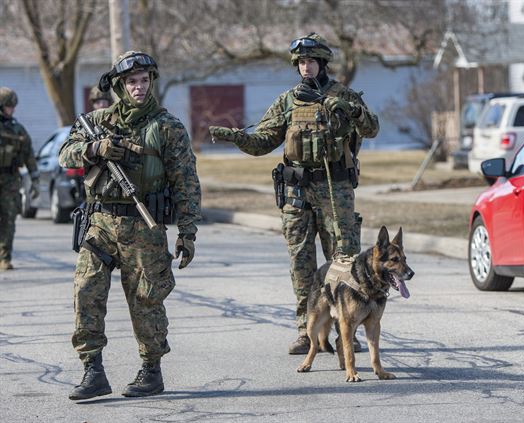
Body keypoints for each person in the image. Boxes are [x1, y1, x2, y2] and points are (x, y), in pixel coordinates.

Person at [209, 33, 379, 355]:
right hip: (298, 190)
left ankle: (349, 330)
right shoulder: (289, 101)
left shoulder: (343, 95)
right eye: (301, 62)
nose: (306, 67)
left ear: (323, 63)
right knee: (301, 263)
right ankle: (307, 330)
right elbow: (263, 141)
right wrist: (237, 138)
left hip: (335, 190)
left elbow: (371, 128)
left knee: (342, 261)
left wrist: (352, 112)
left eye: (311, 61)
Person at [59, 51, 201, 400]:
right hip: (100, 222)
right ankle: (93, 370)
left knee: (146, 300)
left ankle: (151, 370)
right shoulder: (99, 120)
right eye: (132, 82)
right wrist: (96, 148)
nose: (139, 87)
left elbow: (186, 181)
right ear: (121, 85)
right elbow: (66, 153)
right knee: (86, 291)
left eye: (144, 81)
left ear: (151, 82)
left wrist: (187, 231)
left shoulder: (166, 127)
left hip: (145, 225)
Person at [0, 87, 39, 271]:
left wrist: (35, 180)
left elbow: (29, 156)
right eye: (9, 106)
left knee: (9, 219)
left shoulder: (18, 130)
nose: (12, 110)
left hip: (10, 179)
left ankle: (4, 257)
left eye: (13, 106)